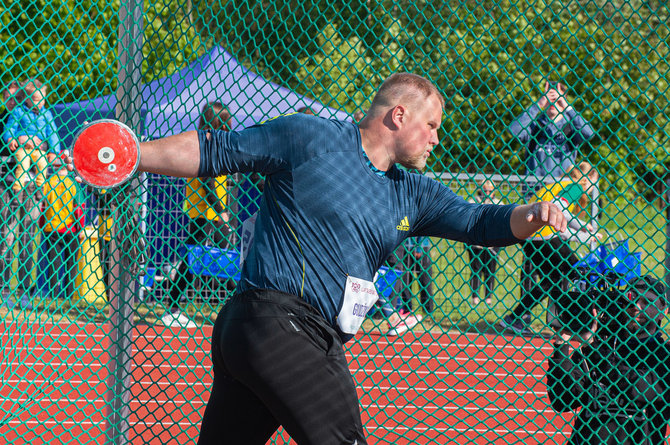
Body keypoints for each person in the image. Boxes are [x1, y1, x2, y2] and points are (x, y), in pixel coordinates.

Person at [66, 72, 567, 444]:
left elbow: (481, 223)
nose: (437, 137)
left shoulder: (413, 193)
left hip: (299, 338)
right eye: (431, 125)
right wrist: (130, 154)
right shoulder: (313, 138)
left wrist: (535, 212)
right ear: (399, 116)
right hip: (272, 322)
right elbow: (215, 151)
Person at [547, 275, 670, 444]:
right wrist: (562, 343)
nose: (636, 306)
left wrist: (591, 348)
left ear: (663, 310)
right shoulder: (602, 344)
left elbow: (640, 388)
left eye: (646, 302)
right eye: (631, 298)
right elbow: (562, 399)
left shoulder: (664, 355)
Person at [499, 162, 602, 335]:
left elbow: (561, 211)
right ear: (587, 179)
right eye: (594, 183)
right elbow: (557, 209)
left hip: (527, 233)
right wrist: (584, 236)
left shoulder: (558, 183)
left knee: (552, 278)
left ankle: (516, 318)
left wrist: (582, 226)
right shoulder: (576, 187)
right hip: (543, 233)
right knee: (578, 270)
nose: (592, 189)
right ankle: (582, 320)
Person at [161, 102, 233, 328]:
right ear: (220, 122)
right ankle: (172, 307)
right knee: (204, 259)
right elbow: (208, 182)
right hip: (206, 212)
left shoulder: (204, 142)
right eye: (227, 121)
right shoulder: (208, 144)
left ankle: (235, 305)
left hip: (206, 211)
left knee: (217, 257)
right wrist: (221, 211)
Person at [509, 79, 595, 184]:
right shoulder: (534, 126)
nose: (553, 103)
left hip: (562, 192)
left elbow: (589, 133)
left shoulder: (571, 127)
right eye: (550, 98)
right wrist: (538, 105)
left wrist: (567, 107)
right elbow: (514, 130)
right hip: (535, 192)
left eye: (557, 100)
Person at [38, 154, 84, 302]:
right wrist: (80, 227)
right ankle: (69, 296)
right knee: (71, 264)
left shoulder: (49, 182)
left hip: (51, 227)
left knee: (54, 263)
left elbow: (42, 207)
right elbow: (78, 209)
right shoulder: (73, 183)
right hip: (70, 228)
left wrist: (42, 224)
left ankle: (53, 295)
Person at [467, 180, 501, 305]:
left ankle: (488, 297)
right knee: (476, 269)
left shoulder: (498, 203)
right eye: (485, 190)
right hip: (476, 242)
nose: (487, 193)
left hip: (492, 243)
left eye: (490, 191)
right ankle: (475, 296)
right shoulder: (473, 201)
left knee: (490, 270)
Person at [396, 236, 435, 314]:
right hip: (405, 247)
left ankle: (428, 311)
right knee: (405, 281)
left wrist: (418, 248)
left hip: (422, 246)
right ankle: (406, 309)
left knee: (425, 280)